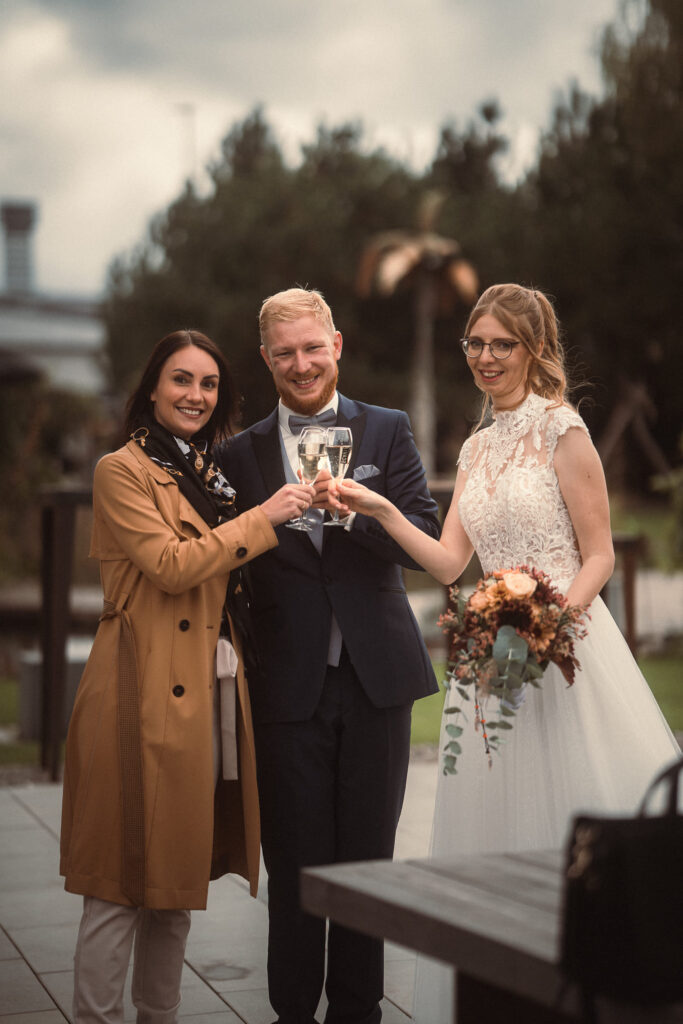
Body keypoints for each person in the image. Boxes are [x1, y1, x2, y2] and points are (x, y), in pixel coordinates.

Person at [336, 283, 681, 1022]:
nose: (485, 357)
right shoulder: (475, 444)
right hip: (491, 665)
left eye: (501, 344)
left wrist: (545, 626)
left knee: (578, 827)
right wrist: (381, 509)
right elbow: (447, 562)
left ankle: (594, 984)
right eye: (475, 344)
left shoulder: (564, 430)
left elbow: (597, 557)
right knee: (493, 833)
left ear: (533, 349)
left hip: (562, 654)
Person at [60, 329, 315, 1024]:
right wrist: (264, 517)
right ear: (150, 390)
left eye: (207, 384)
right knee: (116, 888)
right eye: (180, 380)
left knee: (174, 885)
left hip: (203, 692)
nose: (194, 395)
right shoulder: (123, 470)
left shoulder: (208, 473)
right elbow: (172, 565)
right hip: (135, 689)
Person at [217, 287, 441, 1024]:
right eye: (285, 353)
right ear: (266, 359)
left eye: (313, 348)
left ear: (336, 345)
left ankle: (358, 1013)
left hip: (377, 680)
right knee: (297, 870)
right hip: (286, 689)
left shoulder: (385, 430)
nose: (301, 364)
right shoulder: (240, 453)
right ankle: (290, 1013)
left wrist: (360, 514)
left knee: (367, 870)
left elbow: (423, 536)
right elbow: (223, 565)